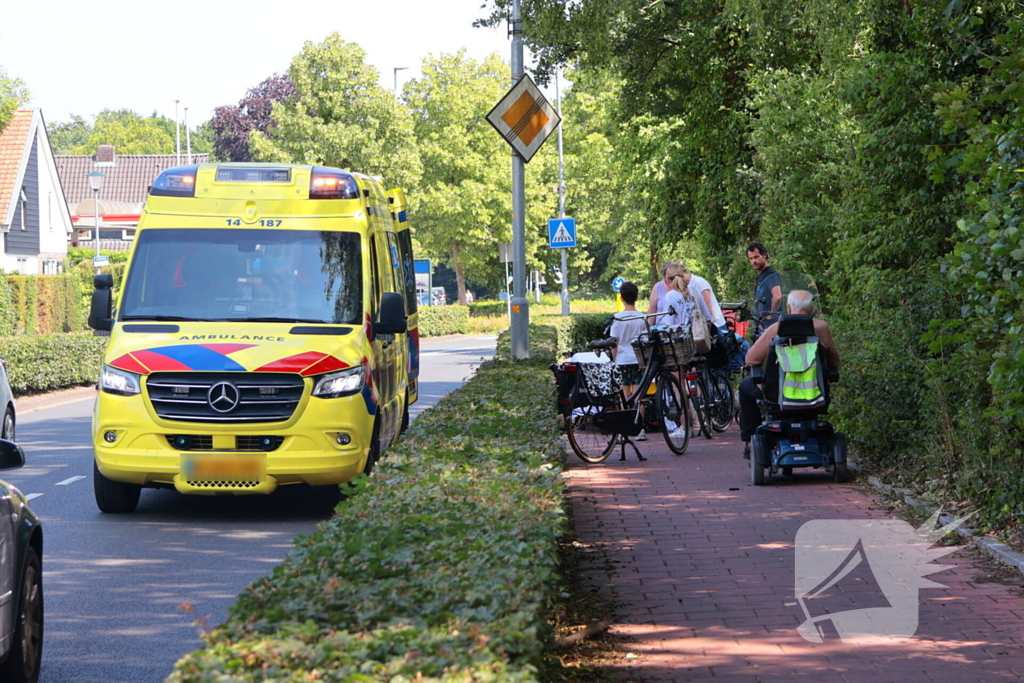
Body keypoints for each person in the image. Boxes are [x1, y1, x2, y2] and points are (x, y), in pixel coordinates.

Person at [739, 290, 840, 459]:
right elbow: (834, 361)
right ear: (811, 308)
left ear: (788, 307)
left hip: (777, 396)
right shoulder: (821, 328)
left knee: (745, 387)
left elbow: (751, 359)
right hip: (813, 395)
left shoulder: (775, 329)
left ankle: (749, 443)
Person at [609, 282, 648, 440]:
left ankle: (624, 429)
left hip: (622, 359)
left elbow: (614, 342)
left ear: (622, 298)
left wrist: (613, 359)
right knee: (639, 393)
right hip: (638, 359)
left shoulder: (617, 318)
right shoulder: (642, 317)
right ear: (637, 298)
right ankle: (640, 428)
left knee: (624, 394)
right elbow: (645, 339)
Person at [747, 242, 782, 334]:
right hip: (761, 324)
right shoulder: (761, 276)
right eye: (751, 258)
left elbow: (777, 296)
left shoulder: (770, 274)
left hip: (770, 326)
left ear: (764, 255)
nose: (753, 261)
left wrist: (771, 314)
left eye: (756, 257)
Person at [647, 260, 682, 324]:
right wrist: (649, 329)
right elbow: (651, 311)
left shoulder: (682, 288)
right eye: (664, 278)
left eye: (669, 278)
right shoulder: (658, 287)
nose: (666, 281)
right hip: (661, 327)